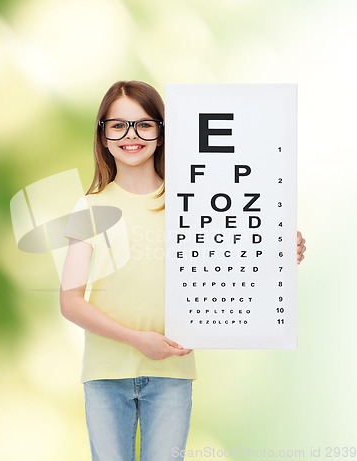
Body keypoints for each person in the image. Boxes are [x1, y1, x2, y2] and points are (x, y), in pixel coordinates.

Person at [59, 80, 306, 461]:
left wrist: (277, 250)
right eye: (118, 125)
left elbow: (229, 259)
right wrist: (137, 339)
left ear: (161, 133)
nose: (131, 136)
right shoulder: (89, 206)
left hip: (172, 372)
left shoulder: (193, 201)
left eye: (144, 124)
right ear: (103, 136)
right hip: (106, 374)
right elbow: (70, 302)